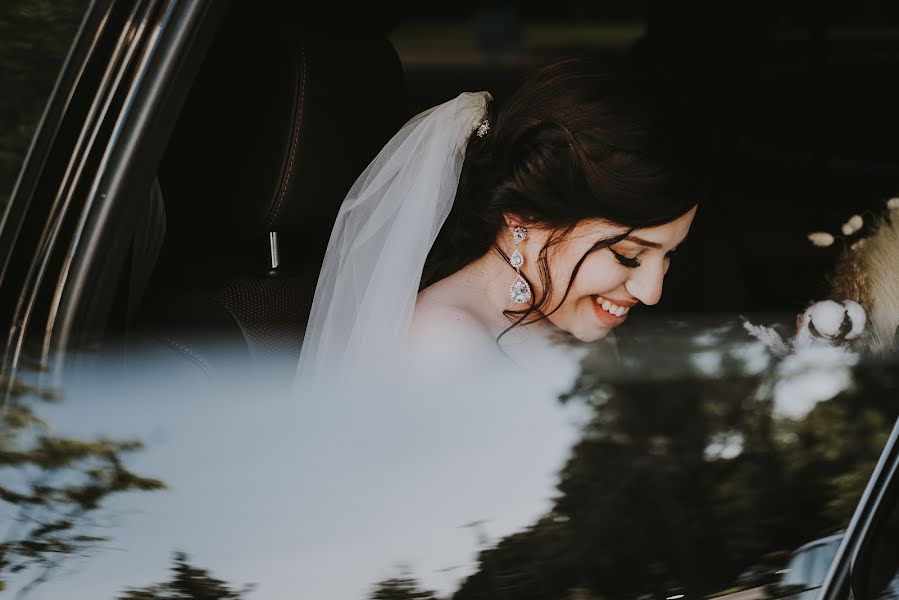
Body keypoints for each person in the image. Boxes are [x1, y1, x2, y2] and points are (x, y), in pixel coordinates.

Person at [295, 57, 716, 390]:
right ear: (526, 217)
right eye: (628, 256)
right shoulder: (445, 346)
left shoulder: (569, 318)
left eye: (669, 256)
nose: (653, 292)